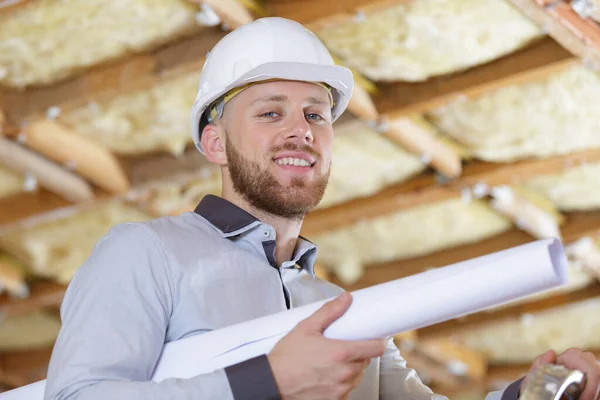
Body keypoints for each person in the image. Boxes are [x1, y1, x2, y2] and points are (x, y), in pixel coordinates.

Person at [44, 17, 599, 400]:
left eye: (316, 115)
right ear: (215, 144)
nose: (300, 132)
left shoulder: (341, 308)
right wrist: (267, 382)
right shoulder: (145, 253)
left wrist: (529, 393)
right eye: (270, 113)